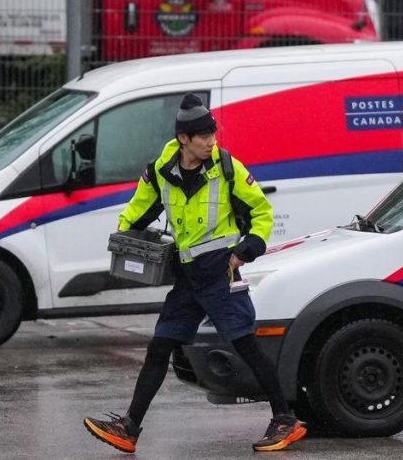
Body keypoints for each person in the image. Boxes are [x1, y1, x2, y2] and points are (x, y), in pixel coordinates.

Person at [82, 93, 306, 453]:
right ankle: (129, 427)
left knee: (245, 344)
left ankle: (285, 419)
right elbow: (136, 213)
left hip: (220, 272)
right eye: (204, 137)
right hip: (187, 277)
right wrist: (124, 240)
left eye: (214, 135)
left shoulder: (228, 167)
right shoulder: (161, 170)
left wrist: (241, 255)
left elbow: (262, 214)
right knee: (160, 346)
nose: (211, 142)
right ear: (184, 139)